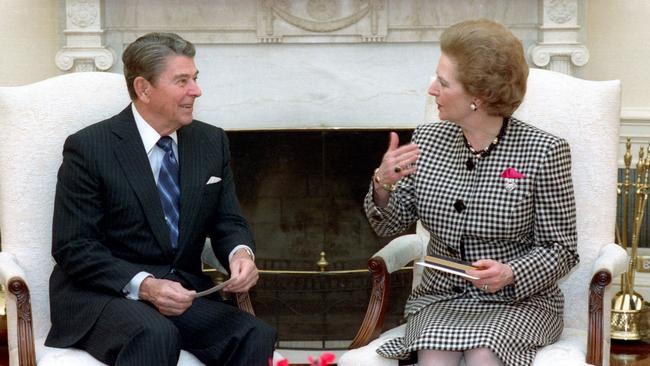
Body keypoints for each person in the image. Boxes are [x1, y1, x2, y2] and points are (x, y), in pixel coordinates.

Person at [45, 32, 277, 366]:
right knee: (155, 334)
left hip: (183, 295)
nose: (196, 91)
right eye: (182, 81)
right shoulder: (90, 148)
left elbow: (228, 221)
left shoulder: (211, 142)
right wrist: (148, 286)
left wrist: (241, 254)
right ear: (143, 88)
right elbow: (74, 247)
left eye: (194, 79)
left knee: (255, 333)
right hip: (104, 296)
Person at [365, 19, 579, 366]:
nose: (431, 89)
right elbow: (390, 224)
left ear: (479, 96)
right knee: (434, 354)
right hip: (441, 297)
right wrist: (383, 183)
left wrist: (510, 272)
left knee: (484, 354)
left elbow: (562, 250)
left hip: (518, 301)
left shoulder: (543, 151)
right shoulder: (428, 140)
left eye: (443, 82)